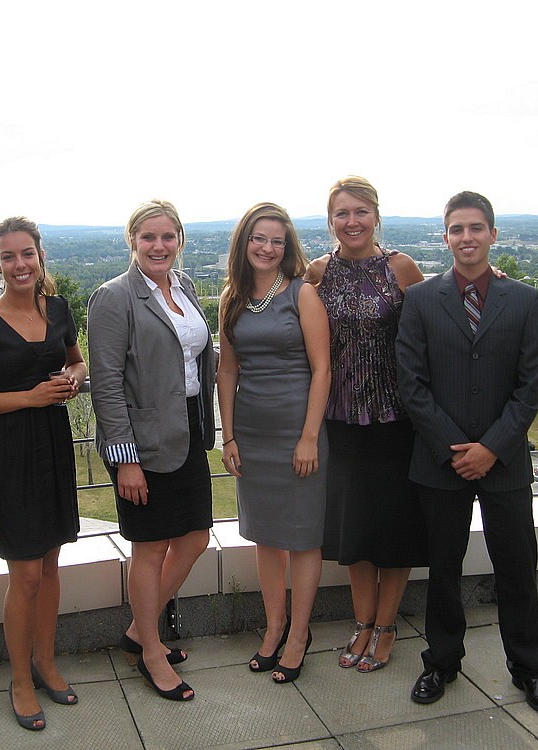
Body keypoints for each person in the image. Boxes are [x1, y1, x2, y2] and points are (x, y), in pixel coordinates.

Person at [395, 191, 538, 715]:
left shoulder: (525, 300)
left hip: (504, 462)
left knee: (517, 568)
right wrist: (456, 450)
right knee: (443, 569)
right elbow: (411, 384)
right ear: (444, 237)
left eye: (475, 227)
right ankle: (441, 662)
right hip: (439, 464)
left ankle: (529, 670)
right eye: (456, 229)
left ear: (492, 233)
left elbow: (530, 385)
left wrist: (491, 448)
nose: (466, 237)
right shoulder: (419, 300)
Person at [0, 217, 86, 731]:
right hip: (8, 453)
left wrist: (72, 379)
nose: (19, 264)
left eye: (27, 253)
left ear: (40, 256)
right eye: (9, 256)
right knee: (25, 572)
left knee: (51, 564)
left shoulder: (59, 310)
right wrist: (30, 396)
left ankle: (47, 662)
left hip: (53, 444)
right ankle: (20, 679)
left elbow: (77, 362)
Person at [87, 200, 215, 702]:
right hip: (142, 445)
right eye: (148, 238)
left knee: (196, 538)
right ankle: (152, 652)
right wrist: (126, 460)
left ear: (179, 239)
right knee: (150, 547)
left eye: (167, 237)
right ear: (132, 243)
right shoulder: (114, 297)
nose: (159, 246)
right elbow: (107, 384)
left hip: (188, 432)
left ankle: (141, 630)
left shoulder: (182, 287)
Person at [306, 176, 428, 673]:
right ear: (330, 220)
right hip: (343, 421)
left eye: (360, 211)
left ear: (376, 215)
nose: (351, 221)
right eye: (341, 213)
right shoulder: (317, 273)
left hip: (397, 420)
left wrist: (495, 278)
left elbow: (437, 321)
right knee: (356, 529)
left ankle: (386, 625)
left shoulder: (402, 268)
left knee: (393, 529)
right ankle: (361, 622)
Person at [217, 202, 330, 684]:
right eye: (259, 238)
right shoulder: (231, 297)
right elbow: (227, 369)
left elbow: (323, 368)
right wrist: (229, 435)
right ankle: (274, 626)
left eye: (277, 241)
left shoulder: (303, 294)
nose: (267, 248)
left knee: (302, 539)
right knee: (265, 536)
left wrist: (309, 437)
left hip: (297, 431)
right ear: (244, 242)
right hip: (253, 433)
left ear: (288, 248)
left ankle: (300, 635)